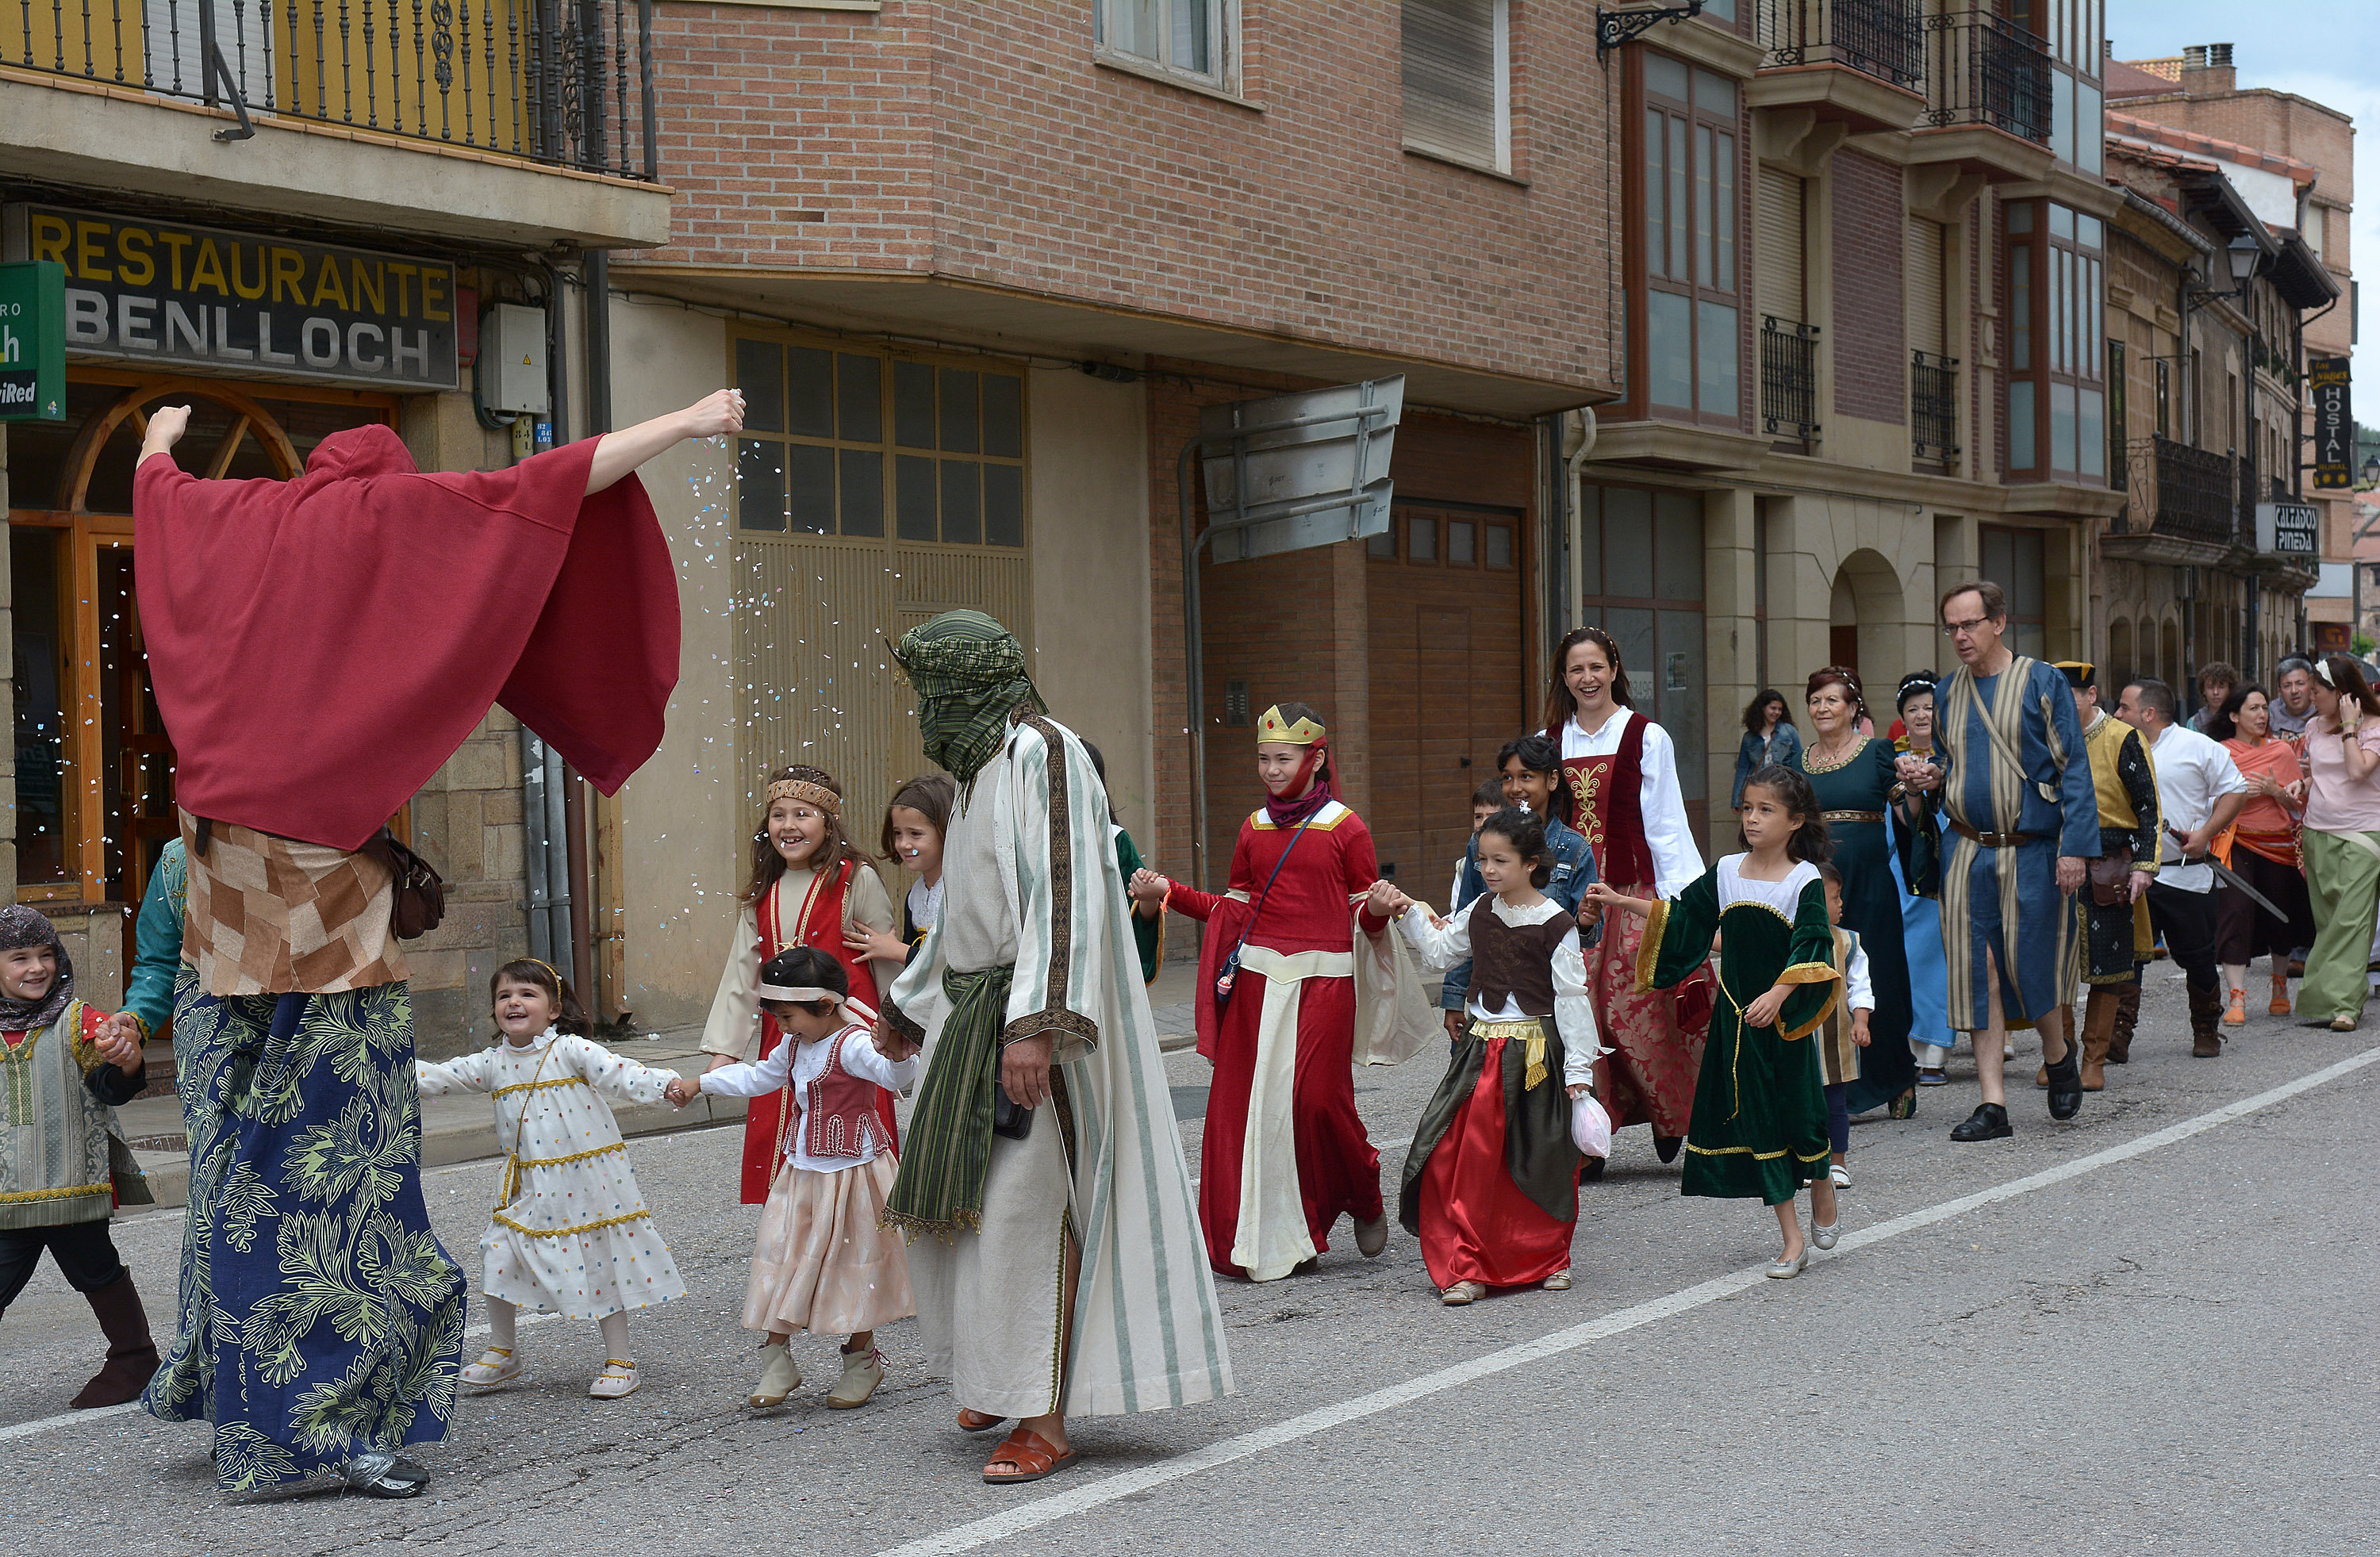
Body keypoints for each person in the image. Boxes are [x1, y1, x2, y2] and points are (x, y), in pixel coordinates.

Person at [135, 388, 736, 1497]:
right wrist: (691, 419)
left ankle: (220, 1381)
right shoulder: (396, 515)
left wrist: (160, 434)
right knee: (335, 1181)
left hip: (220, 910)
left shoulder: (242, 521)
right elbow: (558, 481)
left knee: (230, 1156)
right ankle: (307, 1428)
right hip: (326, 932)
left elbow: (159, 496)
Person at [877, 610, 1230, 1485]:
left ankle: (1045, 1417)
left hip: (1034, 1028)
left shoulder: (1046, 749)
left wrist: (1036, 1025)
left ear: (972, 682)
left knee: (1025, 1215)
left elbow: (1066, 896)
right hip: (976, 1018)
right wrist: (913, 1002)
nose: (927, 705)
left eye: (935, 686)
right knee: (966, 1214)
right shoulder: (974, 771)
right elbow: (967, 918)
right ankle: (999, 1379)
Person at [1133, 702, 1430, 1281]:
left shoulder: (1347, 827)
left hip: (1326, 980)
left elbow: (1363, 919)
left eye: (1283, 758)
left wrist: (1374, 910)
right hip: (1256, 986)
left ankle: (1363, 1189)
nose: (1271, 769)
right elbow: (1233, 910)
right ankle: (1290, 1234)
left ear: (1316, 759)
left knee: (1319, 1102)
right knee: (1254, 1116)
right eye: (1264, 758)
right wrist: (1169, 891)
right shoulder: (1253, 828)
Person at [1589, 765, 1841, 1279]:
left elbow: (1813, 943)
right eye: (1747, 807)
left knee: (1804, 1118)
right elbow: (1686, 919)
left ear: (1795, 821)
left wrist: (1778, 992)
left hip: (1784, 1021)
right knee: (1760, 1121)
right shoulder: (1727, 870)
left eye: (1766, 809)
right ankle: (1791, 1239)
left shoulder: (1804, 879)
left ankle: (1821, 1180)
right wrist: (1623, 902)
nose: (1752, 818)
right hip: (1738, 1021)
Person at [415, 960, 687, 1401]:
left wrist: (669, 1084)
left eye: (527, 994)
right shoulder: (493, 1063)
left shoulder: (572, 1051)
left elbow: (622, 1073)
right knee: (498, 1253)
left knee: (601, 1262)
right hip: (529, 1188)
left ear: (555, 1008)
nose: (514, 1003)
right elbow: (442, 1076)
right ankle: (504, 1351)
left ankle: (621, 1360)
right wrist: (376, 1068)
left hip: (590, 1186)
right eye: (504, 996)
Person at [673, 947, 917, 1412]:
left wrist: (902, 1053)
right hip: (802, 1169)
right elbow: (760, 1078)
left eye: (789, 1017)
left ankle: (862, 1358)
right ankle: (777, 1358)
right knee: (782, 1255)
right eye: (778, 1017)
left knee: (851, 1263)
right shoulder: (793, 1045)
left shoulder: (855, 1044)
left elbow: (892, 1076)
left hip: (853, 1171)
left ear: (826, 1006)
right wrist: (701, 1083)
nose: (782, 1028)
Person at [1898, 579, 2096, 1145]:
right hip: (1965, 847)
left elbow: (2073, 769)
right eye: (1952, 627)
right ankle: (1993, 1102)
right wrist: (1929, 774)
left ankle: (2058, 1054)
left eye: (1970, 624)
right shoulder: (1946, 692)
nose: (1960, 636)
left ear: (1999, 622)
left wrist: (2075, 847)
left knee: (2031, 966)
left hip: (2032, 848)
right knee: (1977, 969)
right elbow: (1948, 763)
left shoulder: (2041, 680)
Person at [1383, 808, 1598, 1305]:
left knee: (1540, 1153)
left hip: (1536, 1053)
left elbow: (1570, 997)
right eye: (1483, 860)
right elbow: (1440, 952)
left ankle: (1548, 1258)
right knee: (1463, 1156)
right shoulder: (1480, 908)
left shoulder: (1555, 922)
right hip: (1482, 1049)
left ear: (1530, 864)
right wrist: (1408, 911)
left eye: (1501, 860)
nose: (1489, 869)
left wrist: (1579, 1069)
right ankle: (1467, 1265)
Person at [1543, 627, 1708, 1164]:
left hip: (1630, 889)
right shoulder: (1549, 740)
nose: (1587, 678)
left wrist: (1684, 904)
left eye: (1596, 667)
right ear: (1563, 677)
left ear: (1614, 669)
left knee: (1638, 1007)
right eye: (1576, 669)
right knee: (1577, 1011)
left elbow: (1666, 823)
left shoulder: (1646, 735)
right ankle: (1590, 1136)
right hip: (1571, 892)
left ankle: (1668, 1114)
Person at [702, 765, 902, 1205]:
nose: (788, 826)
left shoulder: (854, 879)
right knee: (782, 1127)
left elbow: (884, 961)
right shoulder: (763, 891)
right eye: (778, 815)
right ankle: (793, 1225)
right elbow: (742, 975)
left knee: (851, 1131)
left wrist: (902, 1027)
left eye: (803, 814)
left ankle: (857, 1223)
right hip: (786, 1029)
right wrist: (724, 1055)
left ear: (829, 825)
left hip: (847, 1030)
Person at [0, 907, 156, 1407]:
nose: (37, 968)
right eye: (19, 957)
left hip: (72, 1184)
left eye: (46, 955)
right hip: (5, 1194)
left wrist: (127, 1061)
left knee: (97, 1271)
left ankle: (135, 1358)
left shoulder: (81, 1019)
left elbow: (109, 1088)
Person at [1788, 668, 1917, 1119]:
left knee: (1880, 973)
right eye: (1815, 701)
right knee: (1821, 974)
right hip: (1816, 883)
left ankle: (1896, 1075)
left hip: (1871, 884)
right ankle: (1828, 1085)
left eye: (1832, 701)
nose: (1822, 709)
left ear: (1852, 707)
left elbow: (1906, 814)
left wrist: (1916, 790)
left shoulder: (1878, 752)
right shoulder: (1798, 762)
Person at [1441, 734, 1603, 1053]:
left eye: (1526, 777)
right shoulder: (1482, 842)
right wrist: (1454, 997)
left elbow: (1586, 939)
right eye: (1507, 778)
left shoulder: (1575, 849)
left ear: (1552, 780)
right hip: (1490, 1003)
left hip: (1546, 1005)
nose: (1515, 788)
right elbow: (1466, 926)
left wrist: (1584, 922)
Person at [2114, 680, 2248, 1059]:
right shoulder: (2121, 747)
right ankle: (2118, 1035)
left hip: (2186, 874)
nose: (2118, 714)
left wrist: (2206, 833)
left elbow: (2235, 789)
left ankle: (2205, 1028)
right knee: (2130, 957)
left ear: (2149, 714)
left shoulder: (2197, 747)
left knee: (2199, 957)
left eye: (2125, 707)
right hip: (2134, 874)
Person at [2055, 664, 2157, 1091]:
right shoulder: (2045, 738)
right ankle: (2059, 1057)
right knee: (2052, 967)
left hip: (2108, 864)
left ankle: (2094, 1059)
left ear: (2092, 694)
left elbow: (2148, 804)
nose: (2062, 707)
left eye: (2071, 697)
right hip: (2054, 861)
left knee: (2110, 967)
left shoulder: (2122, 737)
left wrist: (2144, 865)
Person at [2211, 685, 2316, 1022]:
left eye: (2263, 708)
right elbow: (2206, 799)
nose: (2261, 715)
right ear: (2234, 716)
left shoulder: (2282, 752)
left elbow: (2299, 803)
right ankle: (2237, 998)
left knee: (2278, 915)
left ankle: (2280, 985)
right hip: (2236, 839)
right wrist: (2238, 795)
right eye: (2253, 709)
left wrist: (2273, 791)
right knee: (2235, 911)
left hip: (2276, 842)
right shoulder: (2219, 752)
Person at [2294, 655, 2380, 1031]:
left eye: (2317, 691)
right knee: (2328, 921)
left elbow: (2358, 771)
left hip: (2363, 833)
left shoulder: (2374, 726)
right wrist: (2304, 784)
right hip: (2318, 830)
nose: (2310, 697)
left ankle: (2346, 1006)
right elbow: (2324, 774)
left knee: (2352, 919)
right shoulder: (2313, 727)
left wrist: (2348, 727)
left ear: (2342, 693)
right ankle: (2324, 1001)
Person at [1891, 673, 1956, 1084]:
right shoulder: (1889, 758)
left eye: (1929, 707)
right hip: (1898, 864)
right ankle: (1906, 1046)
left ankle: (1935, 1051)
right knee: (1904, 955)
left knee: (1936, 955)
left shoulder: (1955, 756)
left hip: (1943, 859)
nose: (1921, 715)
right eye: (1912, 708)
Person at [1811, 865, 1874, 1188]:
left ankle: (1837, 1163)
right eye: (1833, 898)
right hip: (1797, 1040)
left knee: (1835, 1103)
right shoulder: (1788, 939)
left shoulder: (1848, 943)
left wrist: (1861, 1020)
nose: (1840, 904)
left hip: (1836, 1039)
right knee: (1801, 1104)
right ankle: (1807, 1160)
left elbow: (1860, 986)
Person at [1084, 741, 1165, 986]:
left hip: (1100, 965)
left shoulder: (1114, 840)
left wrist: (1148, 895)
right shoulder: (1033, 837)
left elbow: (1137, 918)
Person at [854, 773, 956, 961]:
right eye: (898, 833)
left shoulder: (961, 891)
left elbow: (957, 961)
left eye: (915, 834)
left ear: (947, 830)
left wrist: (897, 951)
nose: (903, 844)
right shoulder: (915, 895)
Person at [1733, 689, 1802, 810]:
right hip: (1758, 786)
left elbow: (1799, 761)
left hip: (1782, 785)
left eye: (1780, 709)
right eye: (1773, 708)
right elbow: (1742, 769)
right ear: (1762, 708)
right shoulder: (1749, 737)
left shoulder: (1789, 731)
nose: (1776, 712)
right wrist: (1736, 799)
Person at [2271, 657, 2317, 739]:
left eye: (2300, 684)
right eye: (2287, 686)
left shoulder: (2322, 712)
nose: (2294, 691)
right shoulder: (2271, 714)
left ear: (2311, 685)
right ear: (2280, 691)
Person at [2189, 662, 2240, 734]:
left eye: (2221, 687)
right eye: (2210, 687)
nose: (2216, 692)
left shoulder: (2239, 720)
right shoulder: (2194, 723)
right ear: (2204, 690)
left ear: (2230, 689)